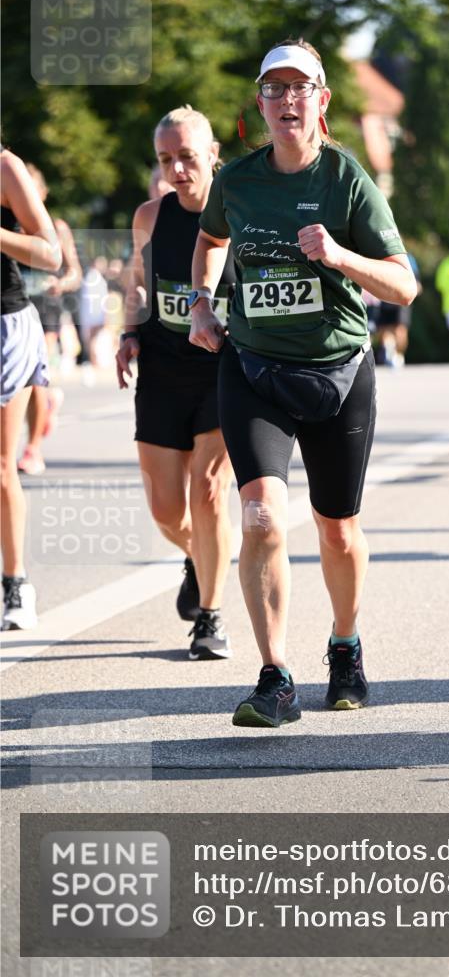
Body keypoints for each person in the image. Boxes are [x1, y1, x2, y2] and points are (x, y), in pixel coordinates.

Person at [189, 38, 417, 728]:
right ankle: (275, 677)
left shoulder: (347, 179)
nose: (287, 100)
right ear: (259, 103)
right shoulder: (238, 180)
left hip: (337, 373)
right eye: (274, 89)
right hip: (253, 367)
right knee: (258, 515)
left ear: (321, 101)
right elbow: (210, 240)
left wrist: (341, 254)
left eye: (300, 89)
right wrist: (202, 302)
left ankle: (344, 645)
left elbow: (404, 286)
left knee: (337, 531)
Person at [115, 106, 235, 659]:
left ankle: (209, 616)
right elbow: (137, 285)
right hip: (162, 371)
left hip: (223, 369)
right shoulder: (149, 216)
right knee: (168, 511)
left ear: (213, 154)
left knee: (208, 491)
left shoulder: (240, 214)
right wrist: (129, 332)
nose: (177, 169)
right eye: (166, 159)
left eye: (187, 156)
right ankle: (199, 555)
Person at [1, 146, 62, 629]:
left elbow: (50, 252)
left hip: (5, 326)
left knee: (2, 466)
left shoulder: (6, 166)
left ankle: (15, 583)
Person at [16, 165, 81, 475]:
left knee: (35, 381)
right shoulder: (10, 225)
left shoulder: (56, 227)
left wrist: (61, 283)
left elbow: (74, 273)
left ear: (41, 193)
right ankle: (47, 405)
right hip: (14, 307)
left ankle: (33, 449)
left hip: (46, 310)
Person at [373, 252, 421, 367]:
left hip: (400, 299)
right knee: (383, 330)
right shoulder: (377, 254)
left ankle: (398, 354)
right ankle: (389, 353)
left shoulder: (408, 258)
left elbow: (415, 279)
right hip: (383, 299)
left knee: (400, 330)